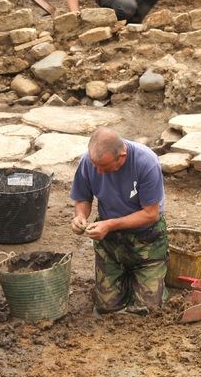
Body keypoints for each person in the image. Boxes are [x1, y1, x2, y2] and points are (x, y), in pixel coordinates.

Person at [70, 128, 168, 314]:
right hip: (111, 241)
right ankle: (126, 277)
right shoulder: (89, 162)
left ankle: (151, 277)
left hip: (146, 238)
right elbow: (83, 197)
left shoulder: (146, 162)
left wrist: (109, 224)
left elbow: (151, 214)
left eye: (104, 167)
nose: (98, 171)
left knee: (147, 309)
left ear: (121, 157)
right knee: (106, 307)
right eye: (95, 165)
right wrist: (80, 216)